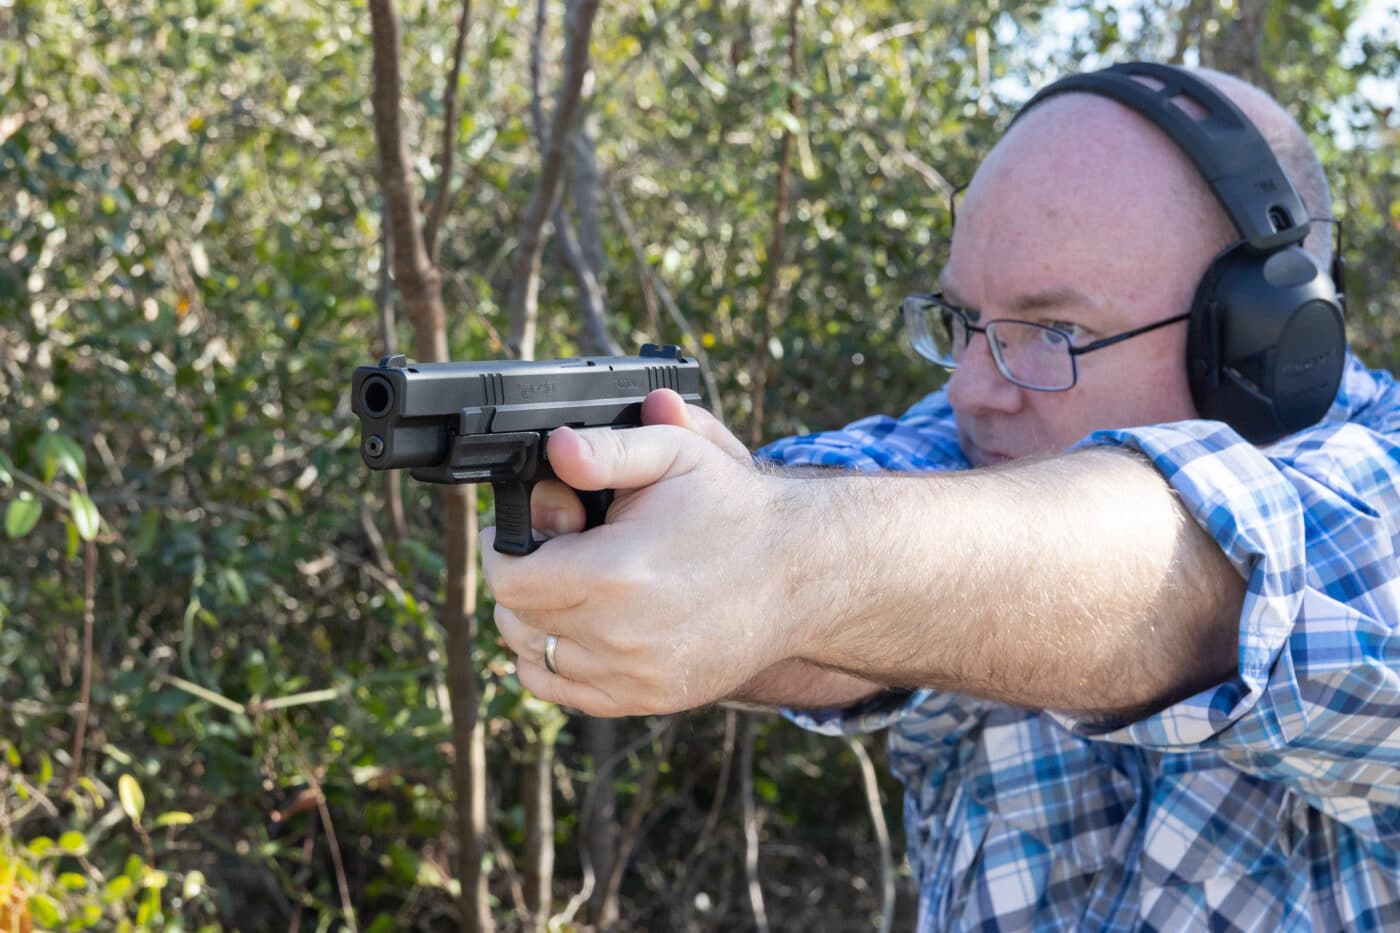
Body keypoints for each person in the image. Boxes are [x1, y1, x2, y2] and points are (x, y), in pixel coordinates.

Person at [483, 61, 1400, 929]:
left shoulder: (1379, 496)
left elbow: (1209, 575)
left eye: (1055, 330)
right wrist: (660, 543)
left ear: (1266, 347)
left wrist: (783, 559)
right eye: (963, 321)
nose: (971, 387)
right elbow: (832, 510)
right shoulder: (1001, 416)